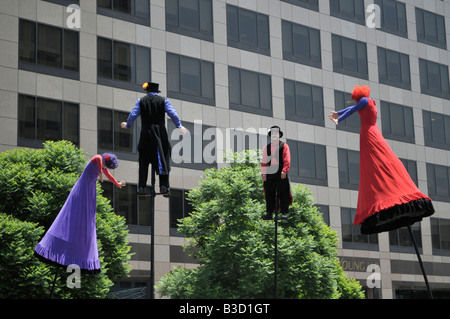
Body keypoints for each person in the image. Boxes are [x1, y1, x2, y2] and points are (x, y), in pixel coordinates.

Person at [329, 85, 434, 234]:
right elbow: (353, 108)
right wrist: (338, 114)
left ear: (359, 96)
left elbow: (352, 110)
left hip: (368, 133)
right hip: (373, 132)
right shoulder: (371, 101)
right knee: (382, 158)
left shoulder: (364, 101)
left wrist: (339, 118)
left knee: (375, 159)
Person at [34, 153, 126, 273]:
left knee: (87, 216)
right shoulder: (98, 159)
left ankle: (78, 250)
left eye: (105, 166)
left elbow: (108, 175)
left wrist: (117, 183)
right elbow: (98, 161)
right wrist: (100, 173)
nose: (104, 166)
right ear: (104, 159)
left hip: (89, 191)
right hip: (82, 187)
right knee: (76, 210)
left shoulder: (103, 167)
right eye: (104, 164)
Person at [121, 82, 186, 197]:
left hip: (145, 134)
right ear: (157, 91)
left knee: (144, 160)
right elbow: (173, 114)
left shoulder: (141, 101)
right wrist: (179, 125)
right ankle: (163, 186)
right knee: (163, 156)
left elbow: (133, 115)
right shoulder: (163, 101)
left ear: (147, 91)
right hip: (159, 134)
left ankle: (141, 187)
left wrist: (128, 125)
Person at [261, 126, 293, 220]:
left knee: (283, 192)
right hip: (270, 172)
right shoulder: (267, 148)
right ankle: (269, 213)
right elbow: (264, 161)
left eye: (276, 133)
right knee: (269, 193)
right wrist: (263, 173)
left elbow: (287, 159)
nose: (274, 135)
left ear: (279, 135)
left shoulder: (284, 145)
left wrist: (284, 170)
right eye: (273, 134)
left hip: (280, 172)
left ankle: (284, 213)